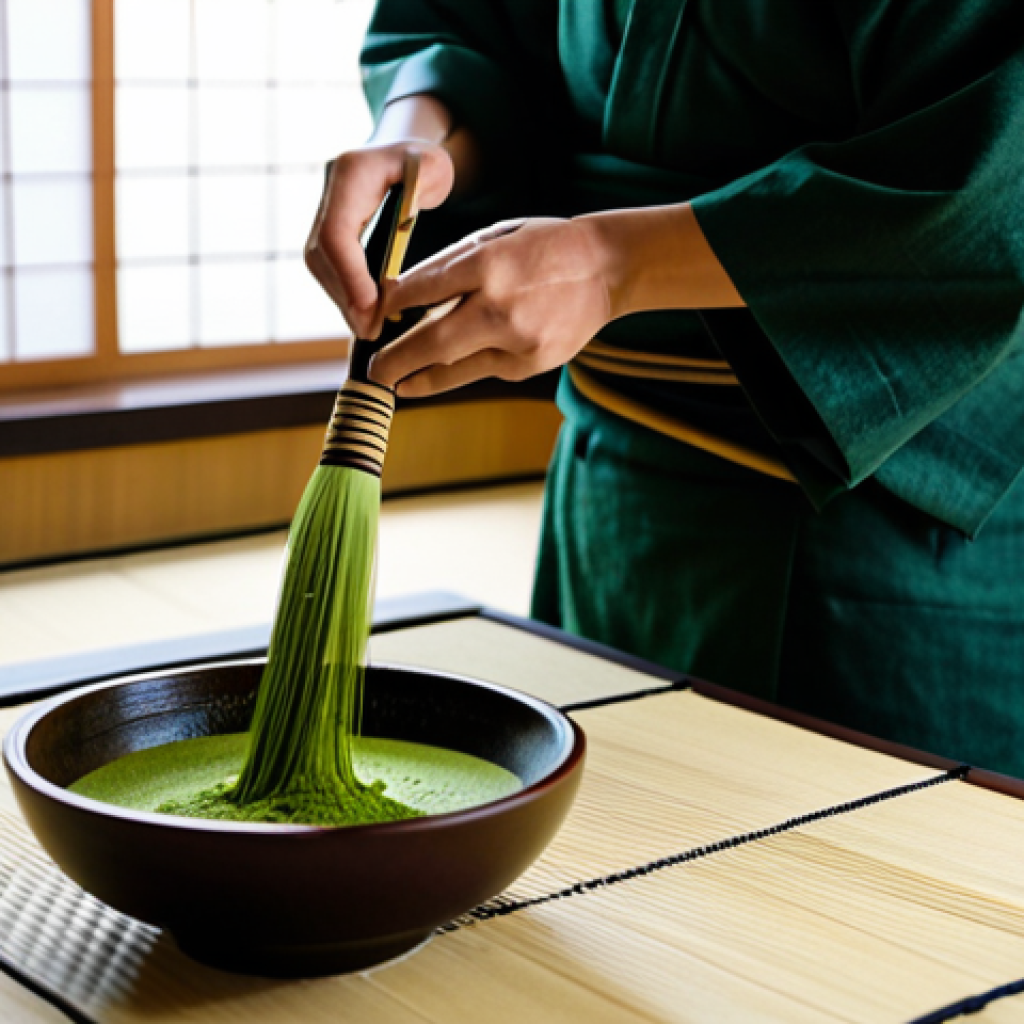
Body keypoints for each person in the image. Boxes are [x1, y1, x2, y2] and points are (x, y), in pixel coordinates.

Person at [305, 1, 1024, 775]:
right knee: (599, 837)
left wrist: (616, 265)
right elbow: (469, 24)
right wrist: (423, 133)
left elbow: (996, 170)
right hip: (606, 480)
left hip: (865, 510)